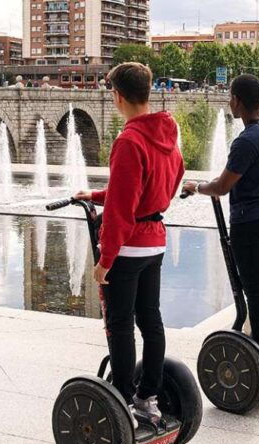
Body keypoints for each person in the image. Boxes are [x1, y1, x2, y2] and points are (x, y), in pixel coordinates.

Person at [74, 62, 185, 425]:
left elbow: (123, 208)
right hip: (155, 243)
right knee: (151, 320)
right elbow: (161, 185)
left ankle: (123, 401)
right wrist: (95, 195)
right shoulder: (167, 134)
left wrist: (105, 260)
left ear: (118, 96)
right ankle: (148, 398)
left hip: (129, 247)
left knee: (119, 324)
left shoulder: (129, 140)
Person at [182, 74, 259, 379]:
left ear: (237, 101)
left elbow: (222, 187)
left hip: (251, 220)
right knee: (255, 285)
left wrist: (196, 186)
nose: (229, 101)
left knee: (254, 289)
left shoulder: (247, 140)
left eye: (231, 96)